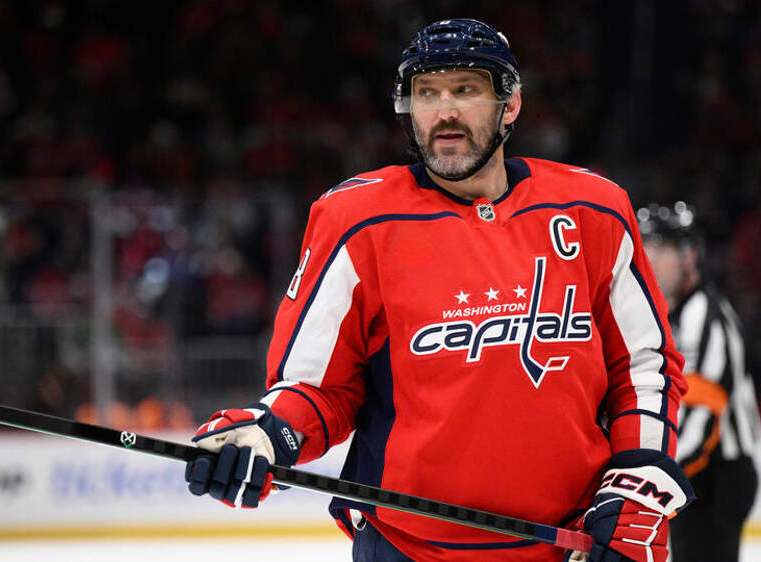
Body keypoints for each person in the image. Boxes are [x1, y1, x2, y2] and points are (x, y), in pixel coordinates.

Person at [184, 18, 694, 561]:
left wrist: (638, 481)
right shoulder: (358, 220)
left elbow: (644, 368)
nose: (444, 111)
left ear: (510, 105)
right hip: (407, 549)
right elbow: (317, 386)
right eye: (427, 93)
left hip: (569, 546)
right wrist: (268, 434)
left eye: (465, 89)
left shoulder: (595, 209)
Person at [638, 202, 760, 561]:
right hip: (698, 471)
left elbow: (701, 419)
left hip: (717, 475)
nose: (650, 261)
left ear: (689, 255)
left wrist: (656, 476)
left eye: (662, 249)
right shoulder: (673, 313)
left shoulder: (704, 317)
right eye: (646, 249)